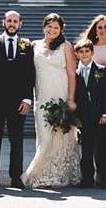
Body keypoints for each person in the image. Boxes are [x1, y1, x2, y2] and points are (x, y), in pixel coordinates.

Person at [22, 13, 81, 188]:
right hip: (41, 98)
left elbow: (72, 73)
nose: (52, 30)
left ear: (61, 29)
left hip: (61, 96)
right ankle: (38, 173)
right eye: (49, 26)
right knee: (45, 139)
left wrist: (70, 98)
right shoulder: (35, 45)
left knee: (61, 137)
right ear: (44, 26)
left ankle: (55, 173)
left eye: (56, 27)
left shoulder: (66, 46)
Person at [0, 10, 36, 188]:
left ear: (20, 24)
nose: (12, 24)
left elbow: (30, 74)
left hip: (18, 102)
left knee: (17, 140)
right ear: (3, 22)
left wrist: (27, 99)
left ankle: (15, 177)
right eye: (9, 20)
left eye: (15, 21)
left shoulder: (26, 45)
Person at [73, 39, 106, 188]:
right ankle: (87, 178)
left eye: (87, 51)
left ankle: (104, 178)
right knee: (86, 149)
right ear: (77, 54)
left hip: (99, 116)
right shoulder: (75, 73)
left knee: (102, 148)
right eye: (81, 51)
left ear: (92, 52)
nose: (84, 54)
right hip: (83, 116)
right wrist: (75, 116)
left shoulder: (101, 70)